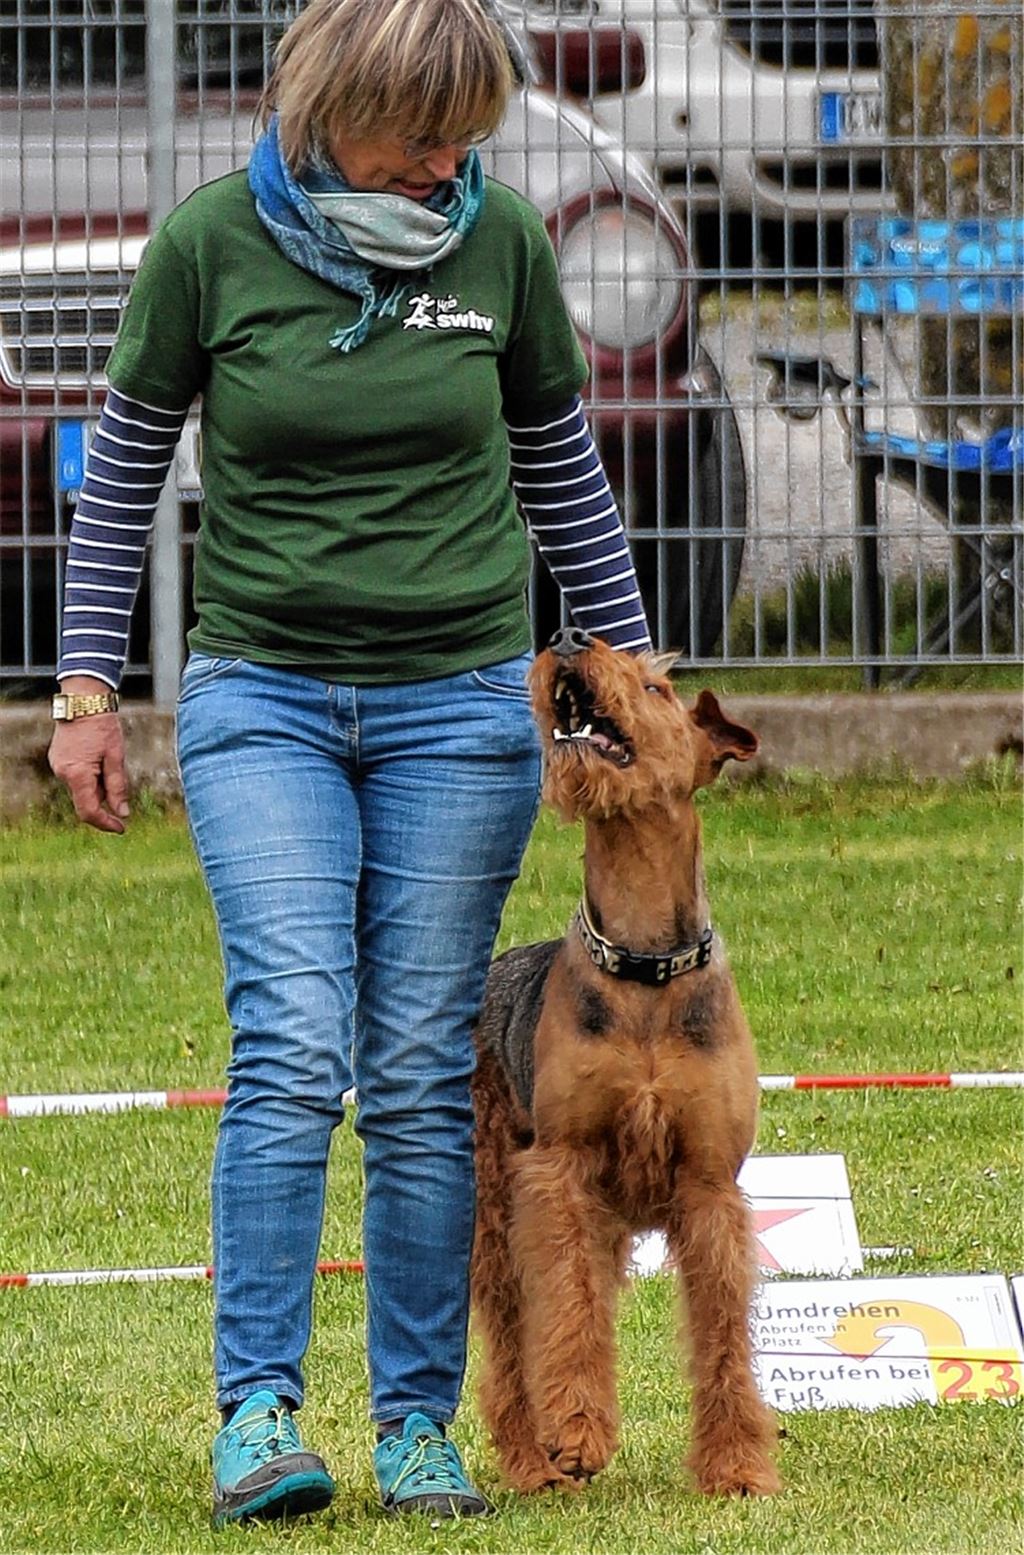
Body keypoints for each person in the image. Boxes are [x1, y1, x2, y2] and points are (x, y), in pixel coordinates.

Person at [48, 0, 653, 1526]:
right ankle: (257, 1416)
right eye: (425, 135)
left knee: (413, 1074)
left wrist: (632, 680)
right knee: (294, 1041)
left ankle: (417, 1428)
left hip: (459, 709)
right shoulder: (208, 249)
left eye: (471, 136)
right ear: (331, 109)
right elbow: (121, 472)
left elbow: (562, 469)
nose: (452, 165)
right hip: (265, 707)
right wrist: (83, 689)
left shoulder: (499, 242)